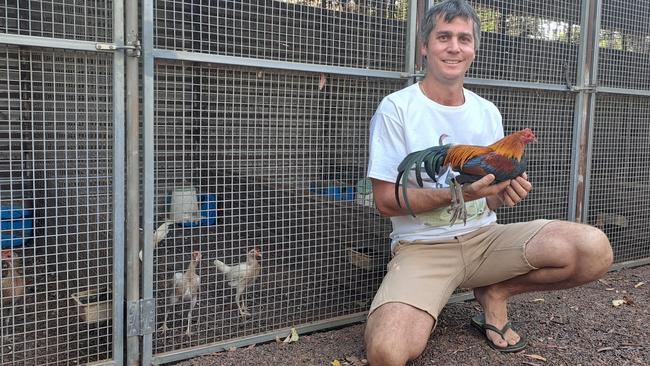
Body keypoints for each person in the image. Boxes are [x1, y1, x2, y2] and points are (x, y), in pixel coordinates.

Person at [363, 1, 613, 365]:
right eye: (443, 37)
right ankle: (423, 303)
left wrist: (502, 195)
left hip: (486, 239)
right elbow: (385, 201)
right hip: (423, 247)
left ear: (474, 50)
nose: (454, 47)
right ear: (424, 46)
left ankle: (496, 290)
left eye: (464, 39)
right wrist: (457, 195)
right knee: (387, 352)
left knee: (594, 249)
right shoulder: (397, 108)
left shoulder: (487, 111)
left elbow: (488, 202)